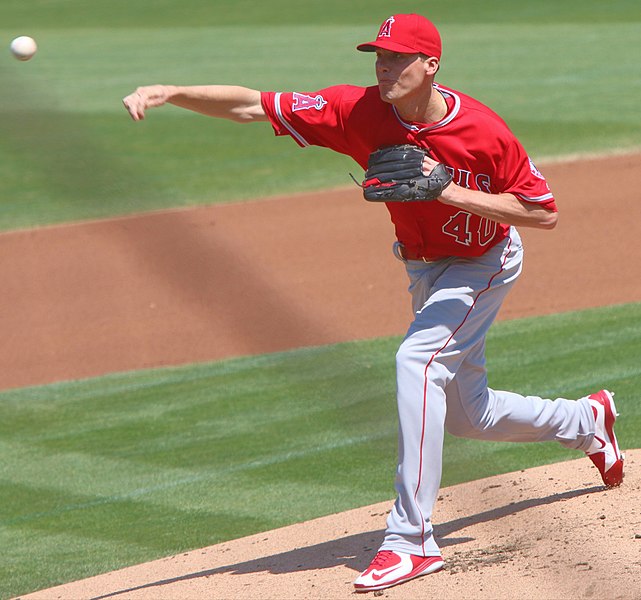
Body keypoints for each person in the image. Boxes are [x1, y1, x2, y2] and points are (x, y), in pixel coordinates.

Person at [123, 13, 624, 593]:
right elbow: (252, 105)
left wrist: (447, 188)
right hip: (423, 266)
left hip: (482, 264)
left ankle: (410, 541)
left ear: (430, 65)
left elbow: (543, 212)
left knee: (418, 361)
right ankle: (587, 421)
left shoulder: (484, 131)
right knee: (468, 414)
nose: (383, 67)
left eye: (396, 58)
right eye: (378, 57)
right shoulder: (353, 110)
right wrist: (171, 93)